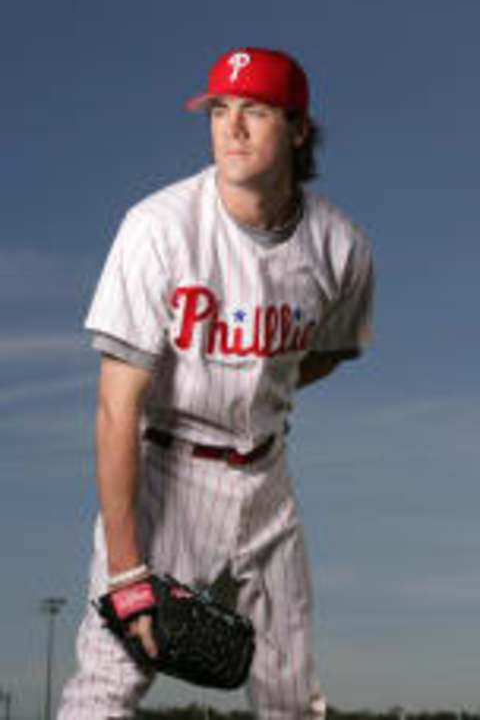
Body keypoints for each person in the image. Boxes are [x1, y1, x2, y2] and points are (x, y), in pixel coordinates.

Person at [58, 47, 373, 720]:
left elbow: (326, 353)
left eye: (253, 111)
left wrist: (256, 387)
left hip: (268, 480)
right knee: (105, 690)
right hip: (165, 476)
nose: (230, 128)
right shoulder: (158, 230)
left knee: (293, 697)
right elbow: (117, 409)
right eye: (219, 110)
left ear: (297, 129)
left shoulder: (341, 247)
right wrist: (127, 572)